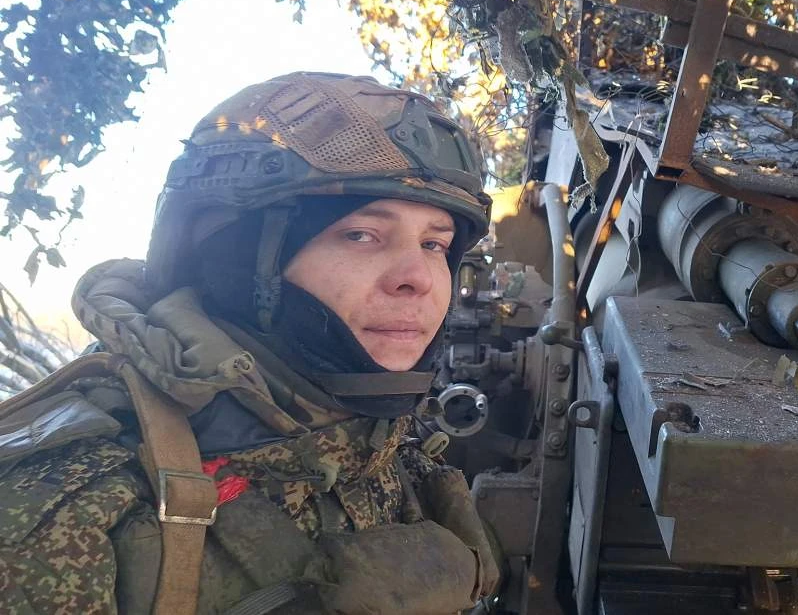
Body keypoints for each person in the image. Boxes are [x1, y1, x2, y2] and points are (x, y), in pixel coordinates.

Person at [0, 72, 501, 614]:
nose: (418, 279)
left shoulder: (385, 444)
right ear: (236, 258)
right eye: (361, 235)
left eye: (434, 244)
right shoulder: (63, 514)